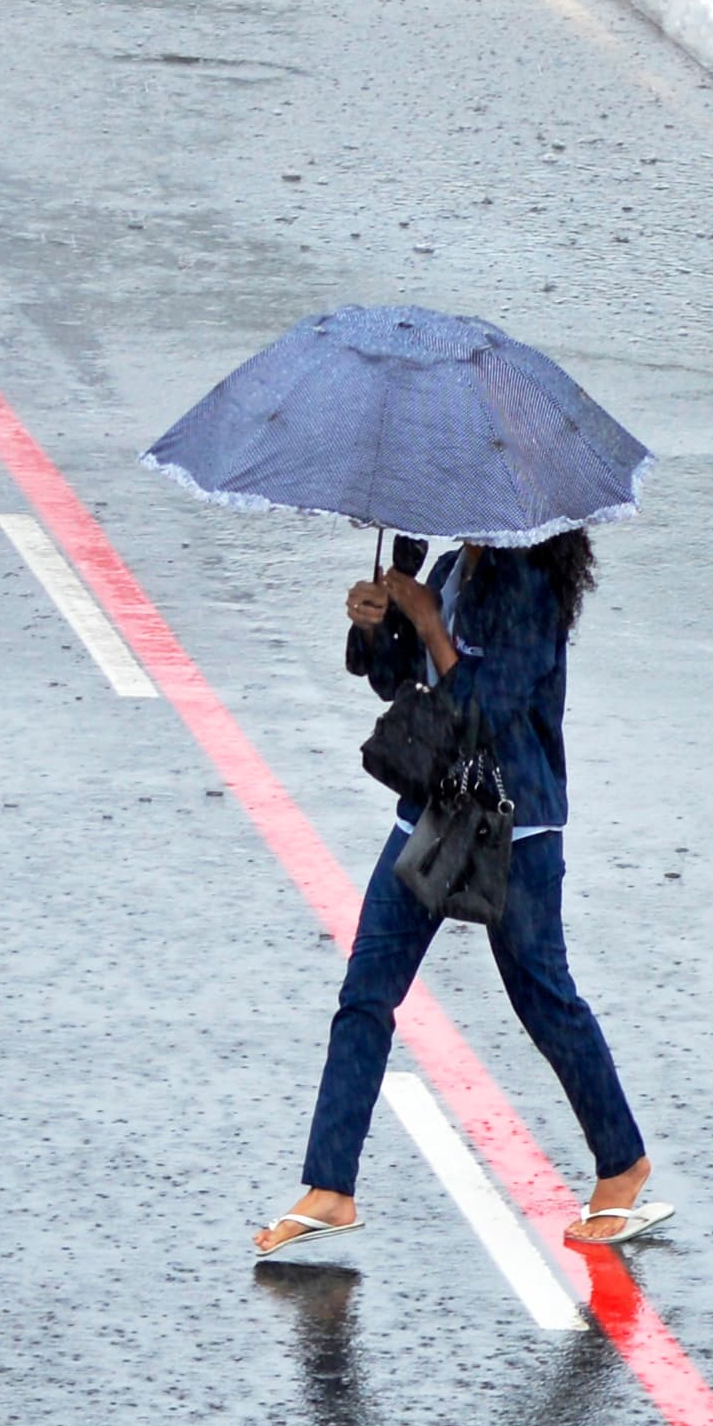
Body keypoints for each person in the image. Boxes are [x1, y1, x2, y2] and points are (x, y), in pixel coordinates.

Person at [256, 532, 668, 1256]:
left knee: (542, 995)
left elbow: (490, 703)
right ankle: (330, 1185)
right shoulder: (450, 568)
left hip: (516, 824)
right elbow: (399, 682)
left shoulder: (532, 583)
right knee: (364, 992)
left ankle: (622, 1164)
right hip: (431, 809)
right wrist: (375, 621)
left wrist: (426, 622)